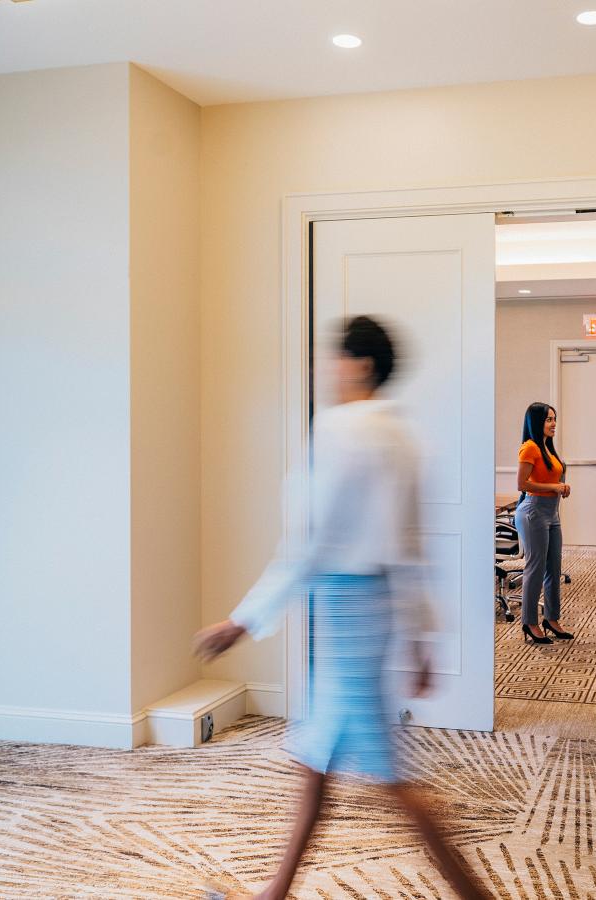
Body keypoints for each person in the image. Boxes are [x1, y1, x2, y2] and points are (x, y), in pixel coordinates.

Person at [192, 316, 487, 900]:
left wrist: (243, 619)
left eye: (334, 356)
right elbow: (410, 549)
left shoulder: (340, 430)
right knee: (317, 758)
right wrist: (421, 639)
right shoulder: (403, 437)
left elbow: (311, 541)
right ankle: (275, 892)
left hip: (344, 608)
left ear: (361, 364)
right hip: (373, 608)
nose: (325, 368)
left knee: (389, 775)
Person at [514, 402, 573, 645]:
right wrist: (554, 487)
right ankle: (530, 622)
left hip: (552, 513)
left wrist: (561, 488)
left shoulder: (547, 448)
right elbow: (522, 484)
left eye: (554, 419)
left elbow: (552, 479)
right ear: (536, 422)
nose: (553, 423)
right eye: (548, 419)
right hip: (533, 511)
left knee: (554, 569)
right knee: (535, 568)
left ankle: (551, 618)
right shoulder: (530, 447)